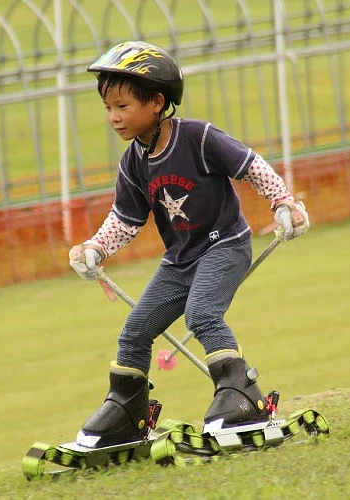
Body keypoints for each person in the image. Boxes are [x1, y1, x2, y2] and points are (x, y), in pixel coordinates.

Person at [68, 40, 310, 448]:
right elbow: (127, 219)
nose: (113, 117)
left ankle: (241, 396)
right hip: (180, 261)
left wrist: (283, 203)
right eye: (108, 108)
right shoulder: (133, 162)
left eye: (123, 106)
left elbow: (251, 165)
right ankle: (129, 413)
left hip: (225, 247)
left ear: (157, 102)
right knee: (134, 333)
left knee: (202, 314)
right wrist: (95, 247)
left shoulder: (198, 138)